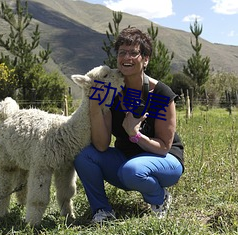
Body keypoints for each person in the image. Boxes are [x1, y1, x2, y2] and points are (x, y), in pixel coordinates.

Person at [74, 27, 184, 223]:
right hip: (127, 160)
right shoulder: (111, 91)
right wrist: (94, 108)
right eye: (122, 52)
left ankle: (159, 198)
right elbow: (100, 145)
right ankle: (102, 211)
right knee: (84, 156)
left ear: (146, 59)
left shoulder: (159, 93)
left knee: (132, 171)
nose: (127, 57)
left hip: (164, 160)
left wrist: (135, 134)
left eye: (134, 53)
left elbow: (164, 147)